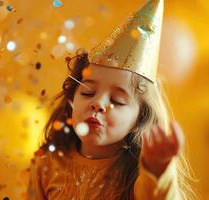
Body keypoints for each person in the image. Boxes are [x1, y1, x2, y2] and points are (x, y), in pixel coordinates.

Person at [26, 0, 196, 199]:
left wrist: (157, 170)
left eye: (117, 101)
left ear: (139, 118)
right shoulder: (47, 165)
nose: (98, 104)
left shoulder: (141, 177)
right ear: (72, 99)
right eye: (88, 92)